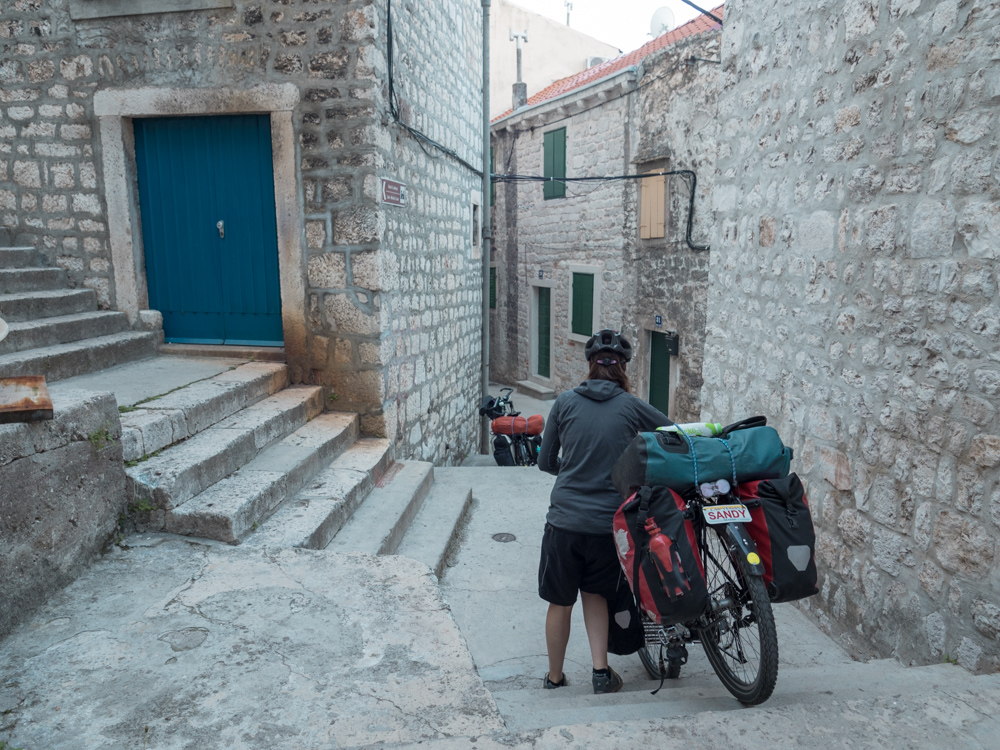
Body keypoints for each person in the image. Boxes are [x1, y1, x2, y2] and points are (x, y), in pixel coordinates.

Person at [536, 329, 672, 694]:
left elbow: (545, 461)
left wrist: (571, 469)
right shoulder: (632, 406)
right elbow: (671, 433)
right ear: (623, 368)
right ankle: (600, 674)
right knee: (596, 594)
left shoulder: (564, 402)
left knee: (559, 601)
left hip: (564, 522)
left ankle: (554, 678)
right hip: (608, 526)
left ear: (590, 367)